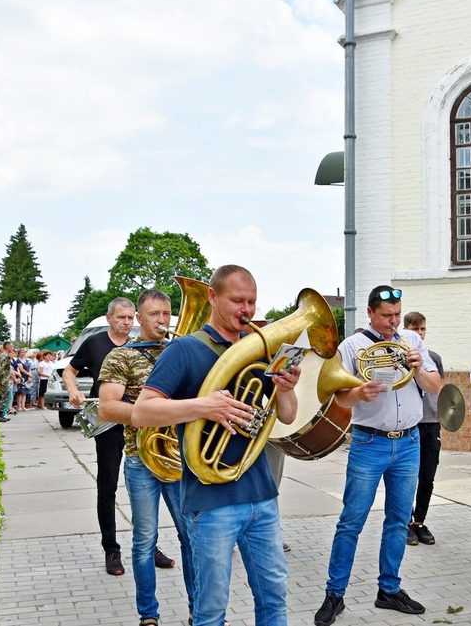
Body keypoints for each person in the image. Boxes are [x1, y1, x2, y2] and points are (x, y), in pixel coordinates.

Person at [131, 265, 301, 626]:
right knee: (211, 610)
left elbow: (286, 417)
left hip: (260, 494)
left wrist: (286, 388)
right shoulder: (184, 350)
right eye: (237, 300)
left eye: (252, 302)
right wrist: (204, 406)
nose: (247, 310)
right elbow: (142, 412)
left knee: (274, 598)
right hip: (210, 502)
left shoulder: (260, 350)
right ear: (212, 297)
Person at [314, 285, 443, 626]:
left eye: (398, 314)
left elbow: (436, 387)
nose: (394, 322)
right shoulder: (353, 346)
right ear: (370, 313)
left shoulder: (412, 342)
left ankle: (389, 589)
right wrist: (359, 391)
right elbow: (339, 398)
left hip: (409, 443)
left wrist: (419, 369)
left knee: (399, 521)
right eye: (387, 315)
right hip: (369, 443)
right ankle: (334, 594)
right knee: (351, 521)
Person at [99, 289, 195, 626]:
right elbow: (107, 407)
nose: (162, 321)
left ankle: (199, 611)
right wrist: (148, 414)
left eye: (167, 314)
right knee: (144, 540)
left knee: (191, 537)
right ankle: (148, 615)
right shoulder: (121, 357)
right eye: (154, 314)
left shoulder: (182, 353)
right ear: (139, 319)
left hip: (179, 459)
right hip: (141, 459)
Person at [64, 297, 137, 577]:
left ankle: (148, 545)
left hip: (138, 421)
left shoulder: (138, 345)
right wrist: (73, 391)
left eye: (131, 318)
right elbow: (70, 370)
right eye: (121, 318)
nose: (127, 323)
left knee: (143, 484)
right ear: (109, 318)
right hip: (107, 422)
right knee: (107, 486)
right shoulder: (94, 343)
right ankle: (111, 549)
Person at [401, 311, 443, 547]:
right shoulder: (399, 356)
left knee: (427, 477)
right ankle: (406, 522)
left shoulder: (434, 357)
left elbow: (439, 388)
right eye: (414, 329)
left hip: (431, 423)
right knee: (408, 478)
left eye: (422, 329)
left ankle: (420, 521)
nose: (419, 334)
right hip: (411, 423)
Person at [0, 341, 15, 422]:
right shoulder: (4, 356)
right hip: (3, 380)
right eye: (11, 346)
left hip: (5, 379)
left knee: (4, 396)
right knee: (4, 396)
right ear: (7, 347)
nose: (13, 348)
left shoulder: (5, 355)